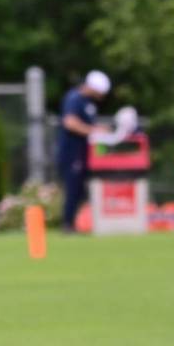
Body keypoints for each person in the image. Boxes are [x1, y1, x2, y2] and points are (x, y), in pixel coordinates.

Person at [57, 70, 112, 231]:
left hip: (83, 153)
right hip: (71, 152)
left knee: (80, 189)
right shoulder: (74, 98)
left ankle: (73, 223)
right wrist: (94, 131)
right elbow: (70, 123)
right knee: (73, 188)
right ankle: (67, 224)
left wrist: (98, 129)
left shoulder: (88, 103)